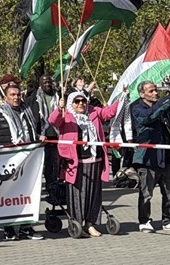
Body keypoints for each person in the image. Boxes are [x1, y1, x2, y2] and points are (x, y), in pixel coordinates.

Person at [49, 91, 120, 238]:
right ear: (71, 103)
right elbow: (53, 121)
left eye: (83, 101)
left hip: (95, 160)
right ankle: (77, 223)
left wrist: (123, 97)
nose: (81, 103)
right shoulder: (65, 114)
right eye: (77, 101)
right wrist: (59, 108)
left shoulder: (93, 112)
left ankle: (90, 224)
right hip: (75, 163)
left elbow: (109, 113)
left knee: (94, 194)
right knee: (77, 195)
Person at [0, 83, 45, 241]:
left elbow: (29, 131)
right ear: (6, 97)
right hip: (6, 161)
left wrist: (38, 137)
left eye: (18, 94)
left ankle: (26, 227)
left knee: (27, 195)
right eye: (12, 95)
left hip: (27, 160)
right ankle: (9, 228)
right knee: (8, 196)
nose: (16, 97)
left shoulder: (26, 111)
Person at [130, 81, 170, 233]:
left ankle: (169, 220)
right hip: (148, 157)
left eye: (156, 90)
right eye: (151, 91)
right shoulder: (137, 108)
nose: (155, 93)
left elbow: (168, 125)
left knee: (169, 191)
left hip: (166, 155)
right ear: (142, 94)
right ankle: (144, 221)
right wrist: (167, 100)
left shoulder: (161, 107)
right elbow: (149, 117)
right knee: (146, 192)